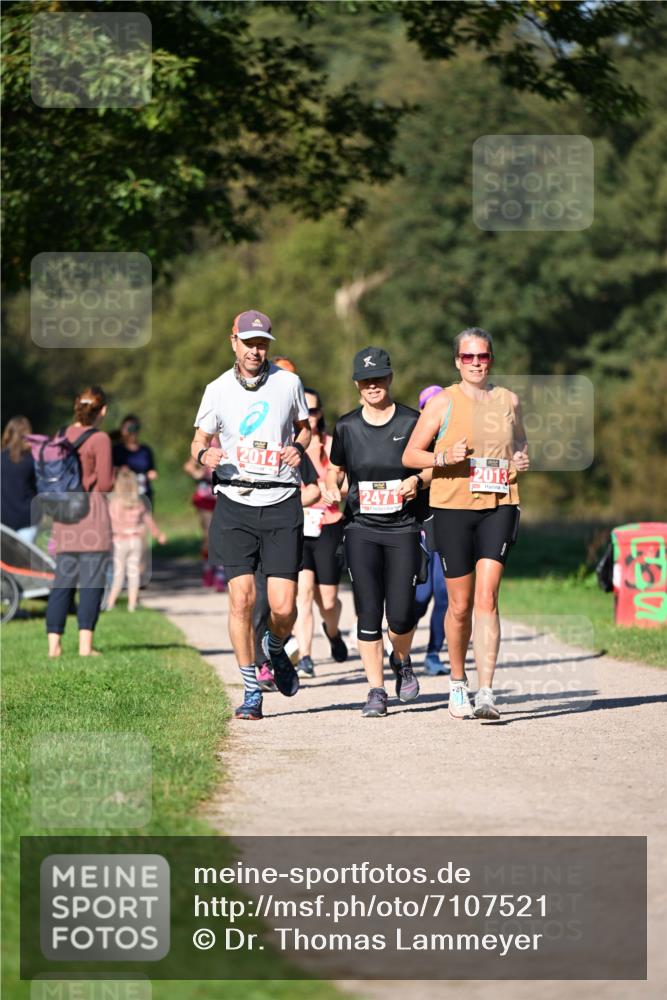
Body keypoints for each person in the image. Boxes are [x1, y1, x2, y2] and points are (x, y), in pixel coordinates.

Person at [402, 328, 529, 720]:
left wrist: (522, 462)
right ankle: (458, 684)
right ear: (457, 361)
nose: (477, 363)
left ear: (492, 359)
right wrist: (443, 457)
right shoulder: (442, 403)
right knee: (459, 605)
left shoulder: (509, 400)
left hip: (499, 504)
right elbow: (410, 455)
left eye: (483, 357)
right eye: (469, 357)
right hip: (453, 508)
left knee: (488, 598)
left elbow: (520, 446)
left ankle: (487, 691)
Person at [190, 309, 311, 721]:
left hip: (281, 502)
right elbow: (197, 442)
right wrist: (206, 453)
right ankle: (250, 691)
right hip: (235, 503)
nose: (255, 350)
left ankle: (275, 648)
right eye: (248, 343)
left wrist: (300, 446)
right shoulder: (217, 390)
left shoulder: (288, 383)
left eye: (262, 344)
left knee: (283, 608)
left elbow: (304, 427)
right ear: (234, 342)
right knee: (242, 600)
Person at [322, 347, 431, 718]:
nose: (373, 386)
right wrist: (332, 486)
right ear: (356, 384)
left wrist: (417, 480)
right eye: (366, 380)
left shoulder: (412, 422)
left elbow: (435, 467)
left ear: (390, 379)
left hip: (403, 527)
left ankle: (402, 660)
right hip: (360, 528)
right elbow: (335, 469)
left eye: (379, 378)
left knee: (401, 616)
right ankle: (376, 690)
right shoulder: (347, 426)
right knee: (368, 611)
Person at [45, 386, 114, 657]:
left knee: (62, 582)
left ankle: (54, 646)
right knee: (91, 583)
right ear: (103, 410)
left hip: (64, 519)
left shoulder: (59, 435)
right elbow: (106, 482)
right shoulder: (100, 439)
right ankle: (85, 647)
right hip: (92, 517)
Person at [295, 387, 347, 677]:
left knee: (327, 600)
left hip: (329, 526)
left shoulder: (331, 444)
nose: (309, 416)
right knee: (303, 594)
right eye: (304, 410)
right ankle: (305, 656)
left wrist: (334, 491)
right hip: (299, 527)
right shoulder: (291, 447)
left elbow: (349, 482)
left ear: (321, 413)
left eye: (313, 410)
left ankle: (333, 631)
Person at [415, 386, 449, 676]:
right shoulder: (415, 445)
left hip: (451, 528)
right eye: (428, 406)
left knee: (444, 593)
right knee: (420, 597)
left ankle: (433, 653)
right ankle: (399, 641)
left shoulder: (458, 442)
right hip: (420, 530)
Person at [106, 469, 167, 612]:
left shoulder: (114, 503)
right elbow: (148, 521)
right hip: (136, 540)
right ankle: (132, 604)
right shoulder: (138, 503)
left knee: (118, 573)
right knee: (133, 573)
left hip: (120, 541)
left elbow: (110, 524)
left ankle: (110, 603)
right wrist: (158, 535)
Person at [1, 415, 37, 543]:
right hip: (26, 520)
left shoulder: (1, 458)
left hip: (3, 522)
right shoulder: (32, 460)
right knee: (23, 563)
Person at [112, 415, 157, 506]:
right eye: (128, 428)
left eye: (134, 428)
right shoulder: (116, 450)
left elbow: (152, 471)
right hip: (123, 494)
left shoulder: (145, 450)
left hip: (143, 493)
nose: (131, 432)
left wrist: (149, 475)